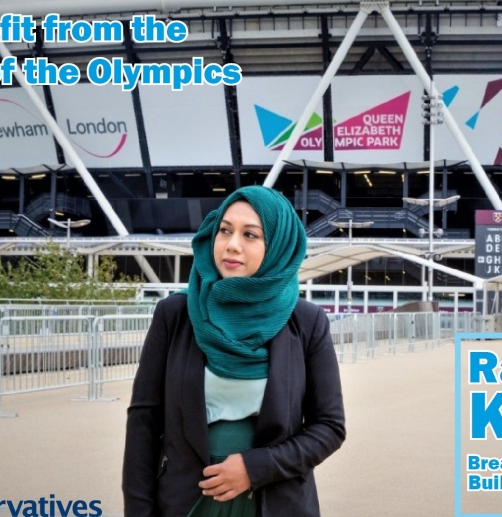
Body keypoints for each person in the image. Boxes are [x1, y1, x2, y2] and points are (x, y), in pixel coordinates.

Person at [122, 185, 346, 517]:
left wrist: (257, 468)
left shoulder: (306, 322)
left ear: (277, 247)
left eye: (250, 235)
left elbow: (329, 426)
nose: (232, 244)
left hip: (274, 501)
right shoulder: (176, 315)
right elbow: (144, 423)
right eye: (224, 230)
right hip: (187, 502)